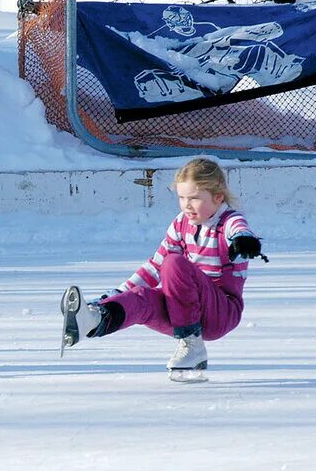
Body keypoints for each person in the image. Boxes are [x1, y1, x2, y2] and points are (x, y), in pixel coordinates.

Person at [59, 157, 265, 381]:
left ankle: (191, 342)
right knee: (141, 297)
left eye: (194, 198)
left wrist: (243, 240)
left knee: (174, 263)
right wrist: (112, 296)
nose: (187, 205)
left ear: (218, 197)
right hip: (186, 310)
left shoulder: (228, 221)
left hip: (221, 312)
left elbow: (239, 228)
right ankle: (95, 319)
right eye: (182, 197)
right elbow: (154, 267)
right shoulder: (181, 223)